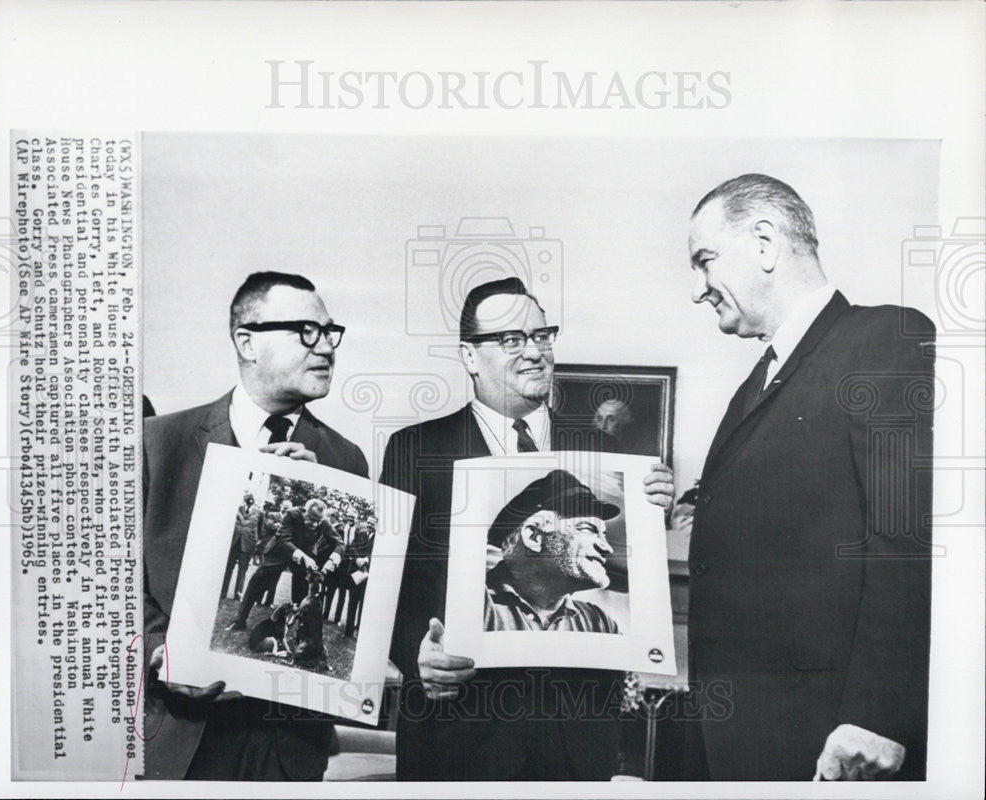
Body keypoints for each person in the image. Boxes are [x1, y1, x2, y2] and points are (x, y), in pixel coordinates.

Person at [683, 174, 934, 780]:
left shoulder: (887, 341)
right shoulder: (760, 378)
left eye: (705, 260)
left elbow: (908, 538)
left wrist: (880, 715)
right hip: (749, 729)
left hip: (833, 737)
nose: (698, 290)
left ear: (765, 242)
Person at [379, 276, 675, 780]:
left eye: (542, 336)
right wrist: (415, 654)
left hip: (576, 738)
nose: (534, 352)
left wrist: (655, 508)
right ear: (470, 357)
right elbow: (384, 590)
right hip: (456, 735)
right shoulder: (414, 450)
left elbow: (635, 587)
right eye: (510, 340)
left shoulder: (607, 452)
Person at [142, 271, 368, 780]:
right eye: (306, 331)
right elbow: (113, 589)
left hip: (292, 748)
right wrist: (160, 654)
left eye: (331, 332)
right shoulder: (159, 444)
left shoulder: (345, 459)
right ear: (247, 341)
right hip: (183, 739)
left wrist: (324, 493)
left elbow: (343, 574)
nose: (327, 347)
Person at [484, 469, 622, 634]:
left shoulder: (599, 622)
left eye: (603, 534)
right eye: (587, 529)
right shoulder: (472, 604)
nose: (607, 547)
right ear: (534, 537)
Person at [229, 497, 344, 629]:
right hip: (279, 554)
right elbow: (283, 539)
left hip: (303, 561)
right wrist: (304, 557)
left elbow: (339, 543)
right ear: (304, 511)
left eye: (318, 521)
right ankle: (239, 621)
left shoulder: (323, 522)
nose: (315, 525)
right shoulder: (291, 514)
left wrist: (332, 559)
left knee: (302, 598)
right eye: (312, 520)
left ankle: (303, 635)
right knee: (256, 585)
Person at [221, 491, 263, 601]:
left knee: (242, 571)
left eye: (252, 497)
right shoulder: (238, 508)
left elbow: (260, 530)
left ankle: (238, 594)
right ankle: (223, 592)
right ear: (245, 498)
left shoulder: (259, 513)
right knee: (228, 569)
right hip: (234, 543)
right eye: (248, 497)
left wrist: (256, 543)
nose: (250, 499)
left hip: (247, 545)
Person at [342, 518, 374, 638]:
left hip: (368, 574)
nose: (370, 525)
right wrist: (357, 559)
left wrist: (367, 559)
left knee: (363, 604)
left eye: (373, 523)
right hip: (355, 572)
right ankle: (348, 631)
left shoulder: (378, 540)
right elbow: (351, 547)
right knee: (352, 602)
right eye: (369, 522)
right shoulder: (360, 534)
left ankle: (359, 630)